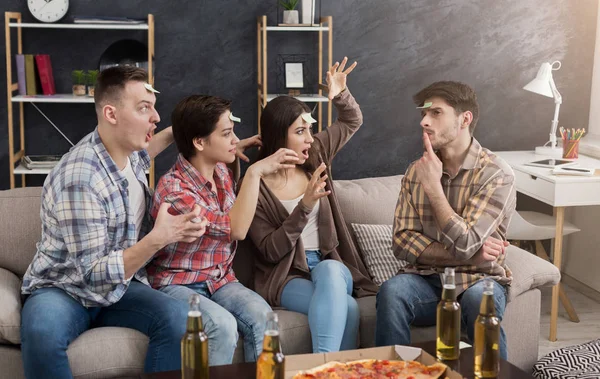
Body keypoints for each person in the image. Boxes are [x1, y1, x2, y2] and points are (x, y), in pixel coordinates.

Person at [20, 66, 206, 378]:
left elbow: (149, 148)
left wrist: (191, 127)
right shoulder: (80, 178)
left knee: (180, 319)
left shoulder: (125, 152)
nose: (155, 117)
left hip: (118, 288)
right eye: (144, 108)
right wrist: (159, 237)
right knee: (41, 332)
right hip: (66, 288)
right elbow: (93, 274)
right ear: (111, 114)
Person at [148, 94, 299, 365]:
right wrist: (256, 172)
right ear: (199, 142)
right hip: (178, 283)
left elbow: (217, 159)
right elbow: (236, 229)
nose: (234, 140)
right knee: (221, 326)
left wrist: (230, 148)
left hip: (220, 279)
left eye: (233, 132)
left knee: (265, 321)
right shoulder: (174, 190)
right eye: (227, 133)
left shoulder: (221, 172)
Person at [375, 81, 516, 359]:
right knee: (392, 292)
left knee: (481, 300)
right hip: (427, 280)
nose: (424, 122)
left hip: (481, 279)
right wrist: (471, 256)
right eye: (423, 114)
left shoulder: (496, 174)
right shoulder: (416, 171)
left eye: (436, 113)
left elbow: (466, 243)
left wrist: (434, 189)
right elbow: (402, 242)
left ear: (465, 119)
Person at [247, 57, 378, 353]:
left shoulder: (316, 154)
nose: (309, 138)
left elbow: (351, 121)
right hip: (286, 277)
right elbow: (270, 250)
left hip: (330, 265)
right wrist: (304, 206)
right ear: (279, 135)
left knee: (331, 270)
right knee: (350, 309)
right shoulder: (257, 184)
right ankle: (332, 373)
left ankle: (317, 369)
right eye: (300, 131)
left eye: (309, 129)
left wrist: (340, 94)